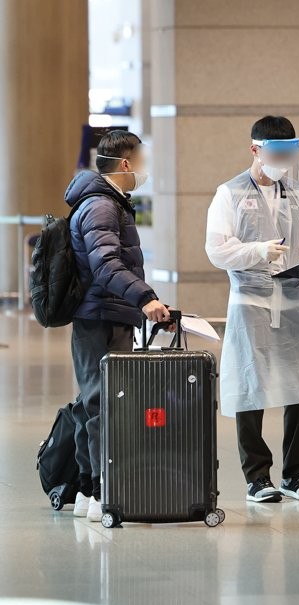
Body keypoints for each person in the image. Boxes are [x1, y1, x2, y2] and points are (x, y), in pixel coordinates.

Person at [205, 116, 299, 503]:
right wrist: (255, 251)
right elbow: (217, 248)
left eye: (289, 153)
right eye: (276, 153)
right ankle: (258, 477)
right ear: (255, 150)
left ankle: (295, 474)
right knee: (251, 388)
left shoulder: (297, 191)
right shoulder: (230, 193)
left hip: (291, 301)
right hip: (251, 301)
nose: (283, 161)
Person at [68, 130, 172, 522]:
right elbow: (107, 265)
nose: (145, 168)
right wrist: (145, 299)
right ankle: (99, 490)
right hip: (102, 316)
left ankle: (86, 489)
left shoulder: (106, 201)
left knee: (92, 401)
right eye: (142, 160)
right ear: (126, 164)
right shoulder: (101, 206)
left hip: (105, 312)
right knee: (103, 404)